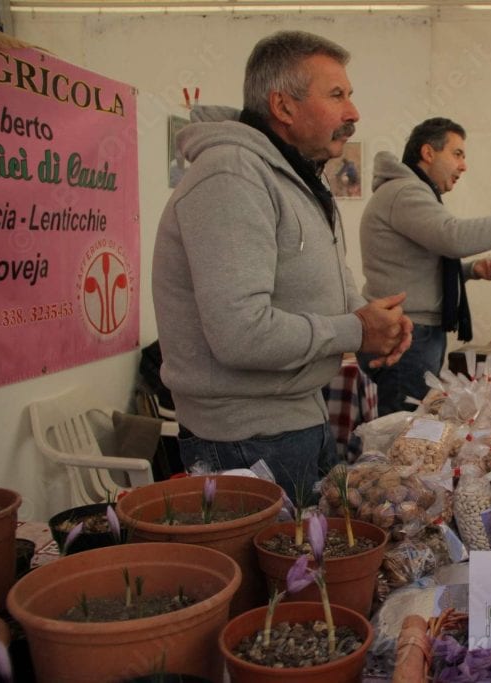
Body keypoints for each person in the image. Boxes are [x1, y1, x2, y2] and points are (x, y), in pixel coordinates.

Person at [152, 31, 412, 500]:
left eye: (349, 96)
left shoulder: (294, 176)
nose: (353, 113)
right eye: (337, 95)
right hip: (245, 440)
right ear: (283, 106)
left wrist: (378, 322)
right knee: (285, 571)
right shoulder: (231, 175)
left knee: (316, 563)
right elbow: (240, 334)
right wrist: (356, 330)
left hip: (299, 417)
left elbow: (327, 284)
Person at [358, 117, 491, 415]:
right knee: (403, 434)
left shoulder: (414, 193)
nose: (464, 165)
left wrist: (472, 270)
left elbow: (417, 268)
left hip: (415, 333)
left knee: (412, 431)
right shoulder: (405, 192)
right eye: (458, 154)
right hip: (407, 335)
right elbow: (454, 237)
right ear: (428, 153)